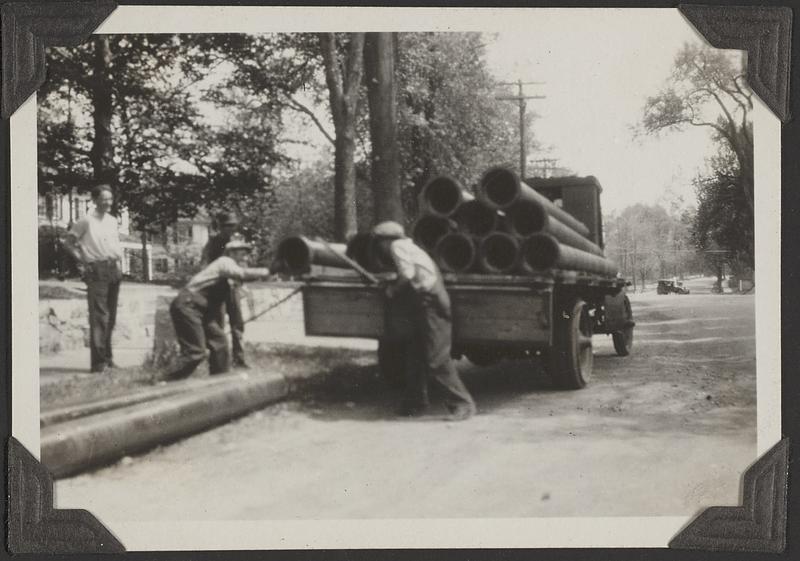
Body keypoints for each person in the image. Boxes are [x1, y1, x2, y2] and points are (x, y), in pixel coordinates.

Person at [372, 221, 476, 421]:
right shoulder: (409, 247)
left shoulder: (397, 246)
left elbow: (407, 275)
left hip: (432, 304)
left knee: (436, 359)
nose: (379, 248)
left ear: (386, 240)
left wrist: (392, 290)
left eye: (379, 243)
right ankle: (415, 402)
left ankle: (463, 404)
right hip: (423, 303)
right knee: (415, 354)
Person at [166, 236, 271, 380]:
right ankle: (165, 380)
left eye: (247, 253)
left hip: (200, 310)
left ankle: (219, 382)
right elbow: (242, 274)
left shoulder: (230, 271)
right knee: (196, 352)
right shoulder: (224, 262)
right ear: (231, 253)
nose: (246, 257)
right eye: (242, 253)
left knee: (220, 342)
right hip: (188, 306)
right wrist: (268, 271)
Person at [64, 184, 123, 373]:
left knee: (111, 317)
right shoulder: (86, 221)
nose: (107, 202)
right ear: (95, 200)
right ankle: (98, 364)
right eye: (104, 198)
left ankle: (108, 359)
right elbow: (67, 243)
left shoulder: (113, 220)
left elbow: (114, 244)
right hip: (97, 269)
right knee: (100, 317)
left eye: (110, 199)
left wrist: (119, 266)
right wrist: (83, 260)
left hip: (114, 269)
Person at [202, 211, 248, 368]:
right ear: (220, 226)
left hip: (233, 287)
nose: (231, 228)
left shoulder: (238, 242)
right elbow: (206, 265)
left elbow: (242, 263)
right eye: (227, 225)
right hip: (217, 289)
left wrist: (241, 281)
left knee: (237, 323)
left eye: (233, 225)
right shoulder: (213, 243)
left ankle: (239, 359)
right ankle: (219, 361)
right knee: (218, 324)